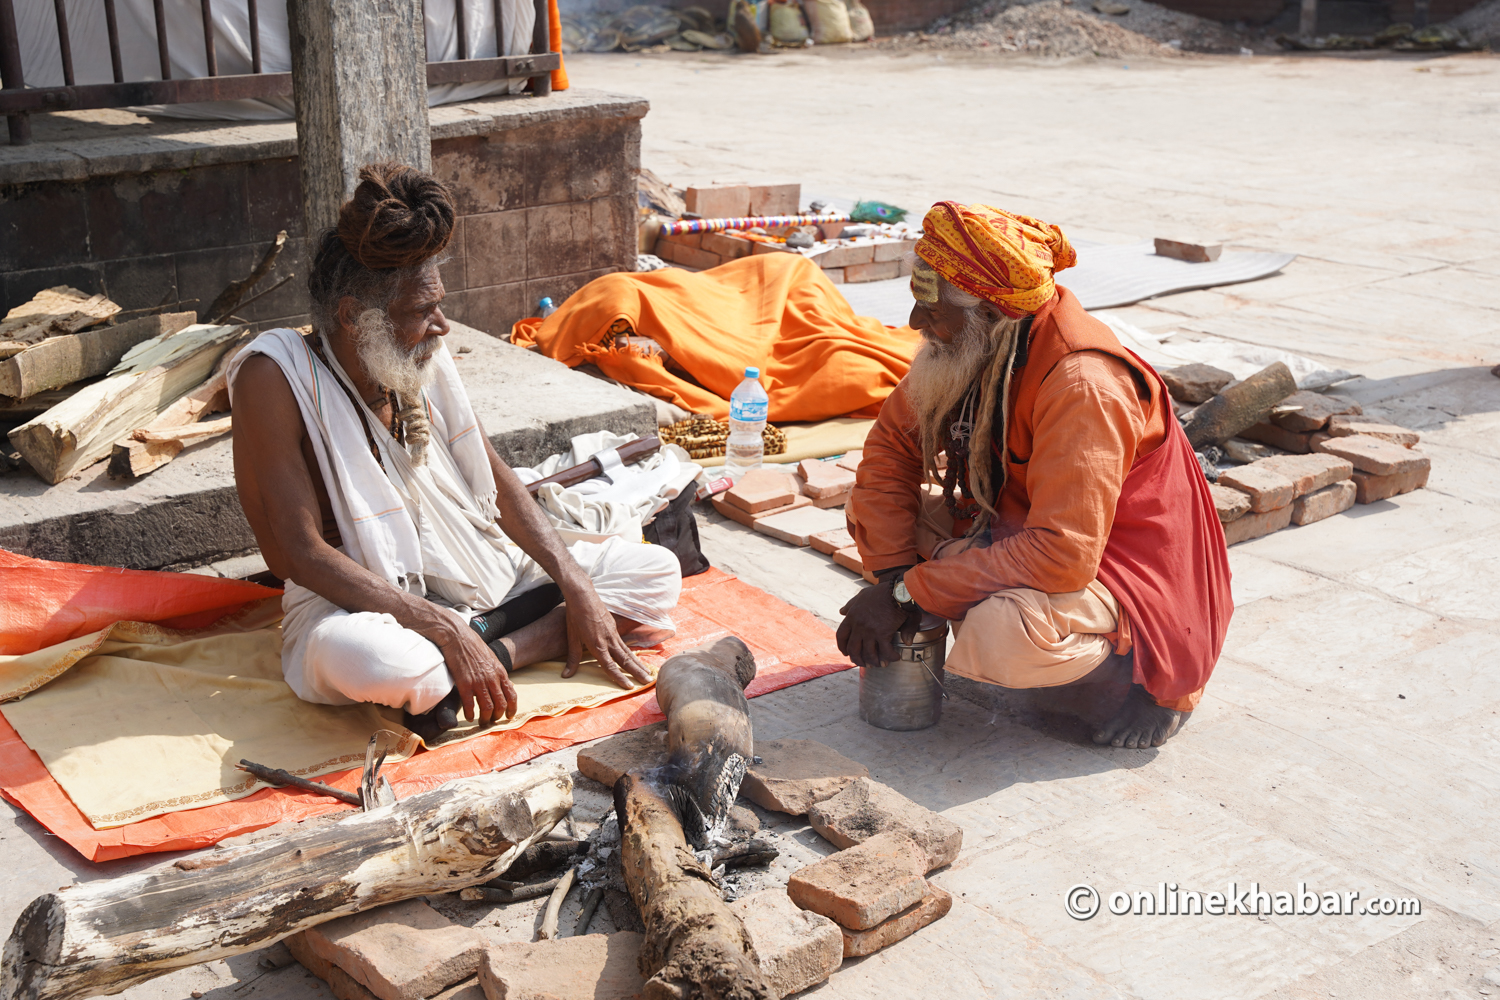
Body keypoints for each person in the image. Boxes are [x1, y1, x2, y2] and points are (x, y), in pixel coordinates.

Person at [229, 163, 682, 738]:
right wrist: (441, 628)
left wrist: (572, 582)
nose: (442, 326)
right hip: (352, 599)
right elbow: (297, 555)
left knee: (656, 571)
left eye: (437, 305)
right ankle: (480, 642)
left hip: (474, 563)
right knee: (384, 663)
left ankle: (499, 649)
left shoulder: (418, 356)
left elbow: (494, 477)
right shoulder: (274, 377)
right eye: (422, 312)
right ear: (354, 317)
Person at [838, 202, 1232, 748]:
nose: (914, 323)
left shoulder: (1083, 383)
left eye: (930, 309)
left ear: (991, 314)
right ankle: (949, 606)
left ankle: (1138, 684)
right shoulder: (979, 343)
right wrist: (893, 580)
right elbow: (889, 452)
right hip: (1017, 529)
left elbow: (1061, 555)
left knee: (1004, 630)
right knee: (876, 513)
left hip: (1123, 568)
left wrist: (911, 594)